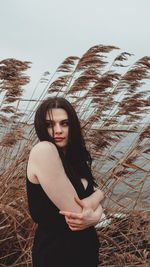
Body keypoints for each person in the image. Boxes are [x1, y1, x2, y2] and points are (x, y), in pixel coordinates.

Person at [26, 97, 104, 267]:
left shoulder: (75, 160)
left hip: (86, 251)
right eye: (49, 125)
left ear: (73, 125)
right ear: (41, 126)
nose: (58, 130)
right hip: (56, 256)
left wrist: (95, 213)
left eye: (65, 123)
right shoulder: (44, 151)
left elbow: (86, 209)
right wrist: (99, 199)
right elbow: (77, 213)